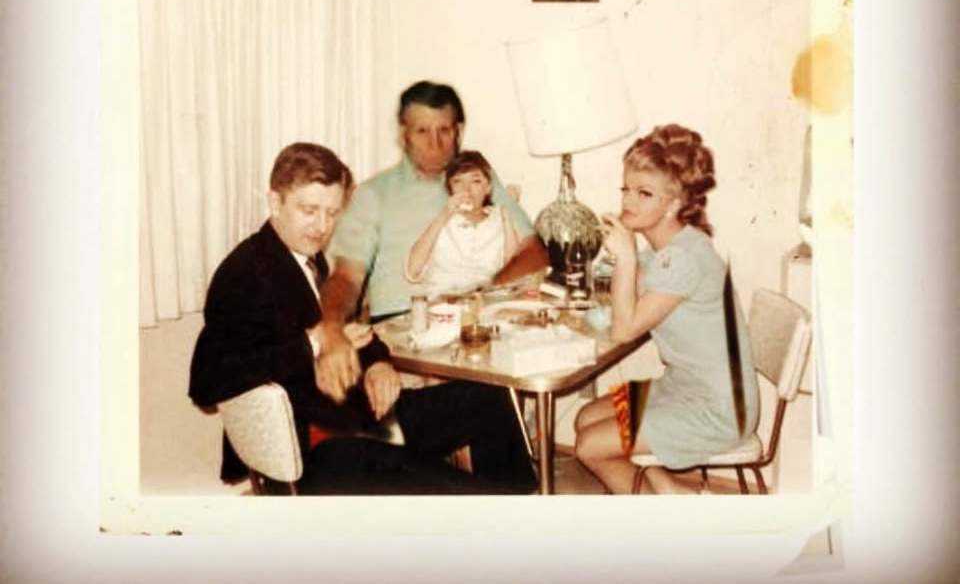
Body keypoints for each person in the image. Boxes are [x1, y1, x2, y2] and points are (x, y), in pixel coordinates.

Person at [189, 142, 537, 494]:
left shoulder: (307, 258)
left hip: (361, 418)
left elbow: (352, 331)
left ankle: (522, 508)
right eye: (309, 210)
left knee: (488, 398)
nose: (322, 226)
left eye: (332, 212)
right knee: (464, 493)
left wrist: (377, 363)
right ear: (275, 202)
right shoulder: (243, 273)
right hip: (319, 450)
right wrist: (312, 343)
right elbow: (207, 381)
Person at [318, 81, 549, 402]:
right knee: (478, 399)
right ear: (403, 135)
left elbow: (535, 253)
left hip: (477, 322)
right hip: (405, 332)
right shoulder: (374, 194)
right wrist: (330, 330)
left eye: (444, 130)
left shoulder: (477, 179)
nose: (435, 143)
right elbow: (345, 277)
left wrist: (482, 296)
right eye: (422, 131)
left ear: (459, 132)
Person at [573, 124, 759, 494]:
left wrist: (626, 257)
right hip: (682, 387)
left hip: (717, 410)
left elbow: (623, 330)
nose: (628, 201)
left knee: (589, 445)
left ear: (673, 204)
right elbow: (630, 294)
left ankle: (663, 513)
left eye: (644, 193)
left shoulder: (682, 259)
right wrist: (624, 260)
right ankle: (674, 493)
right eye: (626, 189)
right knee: (585, 417)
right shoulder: (670, 249)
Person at [405, 149, 522, 295]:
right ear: (450, 188)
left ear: (488, 187)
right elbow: (412, 271)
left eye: (476, 181)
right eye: (457, 181)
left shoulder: (501, 220)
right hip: (440, 299)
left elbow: (515, 277)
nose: (466, 189)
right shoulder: (438, 218)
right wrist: (445, 215)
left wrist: (508, 213)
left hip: (484, 301)